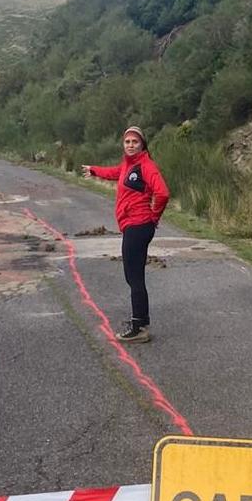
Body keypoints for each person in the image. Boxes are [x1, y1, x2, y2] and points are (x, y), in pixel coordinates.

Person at [82, 126, 170, 343]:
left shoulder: (145, 166)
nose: (130, 145)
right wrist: (94, 170)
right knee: (133, 276)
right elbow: (114, 173)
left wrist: (154, 216)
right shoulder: (129, 165)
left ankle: (139, 327)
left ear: (142, 145)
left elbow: (163, 193)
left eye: (135, 142)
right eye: (127, 142)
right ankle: (140, 321)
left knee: (134, 277)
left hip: (139, 225)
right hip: (133, 225)